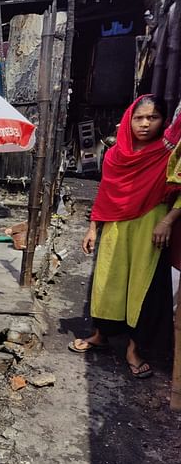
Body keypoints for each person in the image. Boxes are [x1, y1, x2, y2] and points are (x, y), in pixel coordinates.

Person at [70, 94, 181, 378]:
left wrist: (168, 221)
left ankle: (134, 347)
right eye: (139, 118)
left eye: (153, 118)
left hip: (151, 225)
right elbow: (106, 191)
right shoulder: (115, 155)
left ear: (163, 121)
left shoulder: (169, 153)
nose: (145, 124)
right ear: (129, 120)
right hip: (115, 225)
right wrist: (93, 227)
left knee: (141, 286)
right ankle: (101, 335)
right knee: (109, 279)